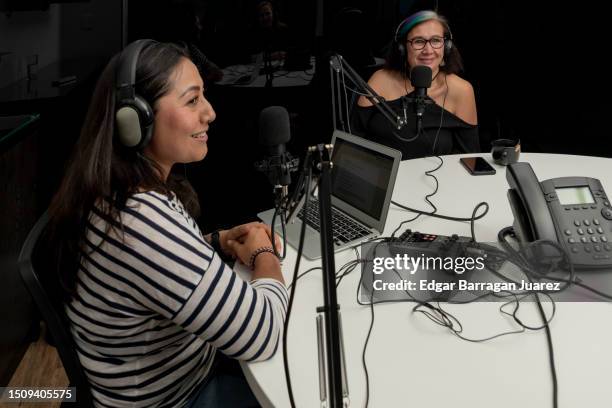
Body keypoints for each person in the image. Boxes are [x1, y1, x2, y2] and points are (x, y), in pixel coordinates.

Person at [46, 40, 286, 407]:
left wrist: (218, 242)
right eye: (192, 100)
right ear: (135, 120)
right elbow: (264, 332)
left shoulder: (114, 188)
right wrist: (264, 253)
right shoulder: (139, 218)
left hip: (181, 372)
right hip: (181, 396)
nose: (210, 113)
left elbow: (149, 269)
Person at [352, 10, 480, 159]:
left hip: (434, 180)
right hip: (379, 177)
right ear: (402, 48)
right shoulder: (380, 80)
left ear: (446, 46)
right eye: (418, 41)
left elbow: (470, 158)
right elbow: (352, 139)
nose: (428, 50)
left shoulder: (461, 91)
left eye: (436, 40)